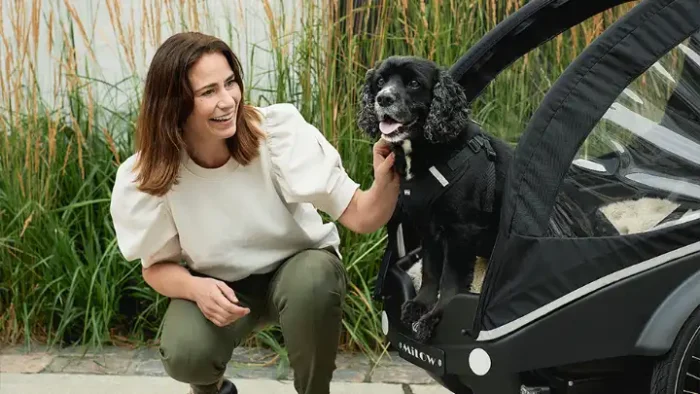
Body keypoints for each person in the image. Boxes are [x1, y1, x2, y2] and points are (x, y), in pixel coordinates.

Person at [109, 32, 399, 394]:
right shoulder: (150, 174)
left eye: (230, 82)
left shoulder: (275, 134)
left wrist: (385, 179)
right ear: (174, 103)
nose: (228, 100)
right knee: (185, 352)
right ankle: (212, 389)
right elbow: (155, 267)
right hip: (221, 286)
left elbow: (362, 216)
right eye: (208, 92)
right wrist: (196, 288)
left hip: (295, 271)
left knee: (313, 279)